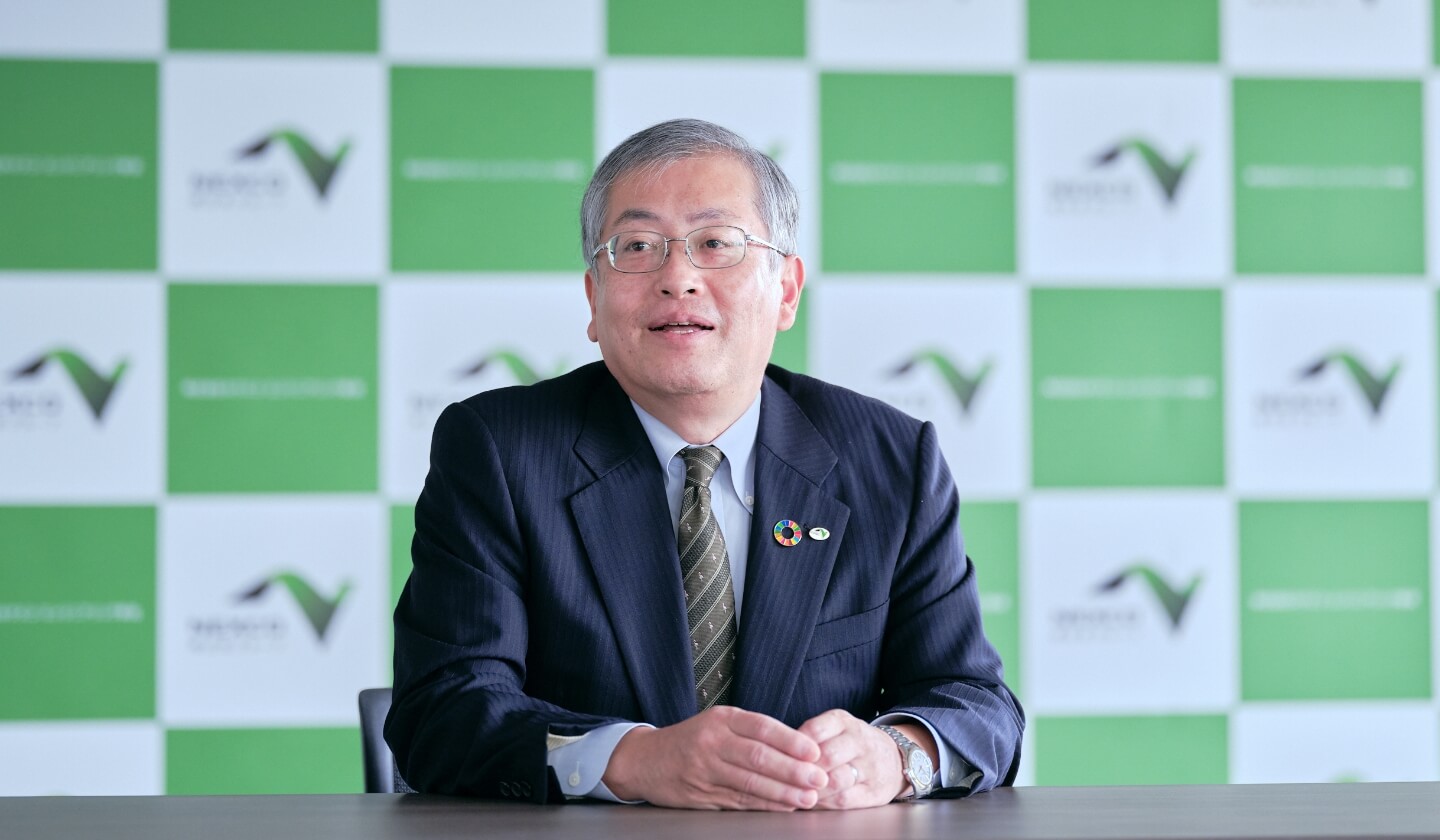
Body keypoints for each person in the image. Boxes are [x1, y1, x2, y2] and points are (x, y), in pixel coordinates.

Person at [386, 118, 1023, 810]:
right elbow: (442, 710)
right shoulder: (499, 451)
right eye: (638, 247)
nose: (678, 278)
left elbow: (977, 704)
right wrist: (633, 759)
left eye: (716, 243)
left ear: (786, 291)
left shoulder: (892, 460)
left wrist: (898, 754)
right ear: (594, 298)